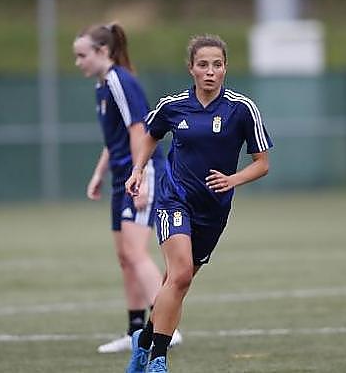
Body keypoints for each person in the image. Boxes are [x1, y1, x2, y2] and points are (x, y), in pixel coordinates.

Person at [124, 34, 272, 373]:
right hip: (173, 199)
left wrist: (232, 180)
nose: (210, 71)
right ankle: (158, 360)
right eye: (203, 65)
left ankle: (143, 341)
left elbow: (262, 164)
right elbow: (150, 134)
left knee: (177, 283)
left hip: (213, 211)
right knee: (180, 275)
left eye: (217, 65)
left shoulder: (241, 109)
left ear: (225, 69)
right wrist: (138, 169)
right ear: (191, 68)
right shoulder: (172, 106)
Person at [73, 23, 182, 353]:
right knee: (125, 257)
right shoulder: (102, 87)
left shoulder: (120, 80)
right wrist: (98, 173)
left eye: (82, 55)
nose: (77, 62)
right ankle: (137, 331)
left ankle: (165, 327)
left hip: (141, 172)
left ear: (102, 52)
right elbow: (115, 139)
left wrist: (143, 176)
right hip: (122, 177)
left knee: (136, 253)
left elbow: (139, 130)